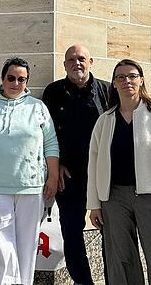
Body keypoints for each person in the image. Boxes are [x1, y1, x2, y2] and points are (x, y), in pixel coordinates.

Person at [87, 59, 151, 285]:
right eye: (120, 77)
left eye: (132, 76)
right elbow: (94, 165)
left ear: (141, 80)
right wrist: (94, 204)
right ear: (114, 83)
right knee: (120, 257)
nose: (127, 81)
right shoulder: (105, 121)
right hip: (114, 198)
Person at [0, 57, 60, 285]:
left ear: (27, 82)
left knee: (28, 243)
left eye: (21, 79)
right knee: (1, 242)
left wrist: (53, 176)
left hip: (31, 185)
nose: (16, 83)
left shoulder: (38, 107)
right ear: (2, 79)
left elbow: (50, 143)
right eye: (11, 78)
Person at [42, 44, 110, 285]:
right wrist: (56, 165)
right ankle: (83, 281)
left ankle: (113, 279)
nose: (76, 63)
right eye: (71, 60)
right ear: (64, 65)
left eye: (81, 58)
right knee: (71, 232)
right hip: (68, 176)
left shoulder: (107, 91)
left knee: (111, 232)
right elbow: (45, 134)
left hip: (103, 175)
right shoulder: (53, 92)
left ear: (91, 62)